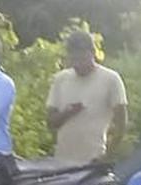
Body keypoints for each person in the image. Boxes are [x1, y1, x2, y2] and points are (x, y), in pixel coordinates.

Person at [45, 31, 128, 167]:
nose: (78, 64)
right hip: (62, 161)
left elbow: (121, 124)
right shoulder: (60, 79)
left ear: (93, 53)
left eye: (82, 59)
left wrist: (107, 156)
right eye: (73, 60)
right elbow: (50, 122)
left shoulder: (110, 79)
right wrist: (68, 113)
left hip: (94, 161)